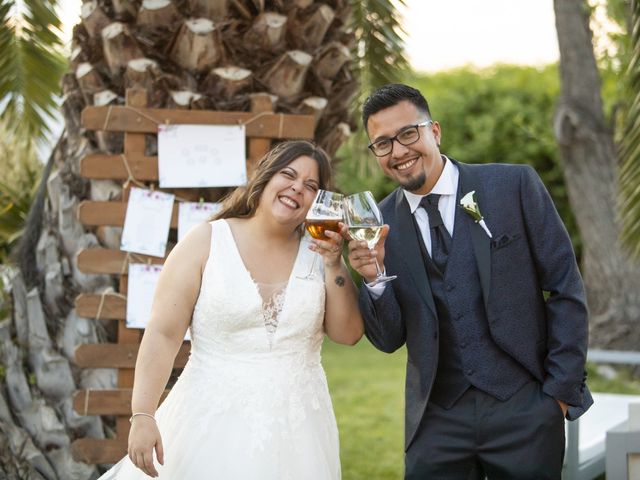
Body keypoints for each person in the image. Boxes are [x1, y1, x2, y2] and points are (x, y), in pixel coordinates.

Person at [346, 83, 593, 479]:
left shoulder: (513, 187)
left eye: (409, 133)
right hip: (436, 420)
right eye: (383, 143)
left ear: (435, 132)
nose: (399, 151)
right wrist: (373, 277)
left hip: (525, 409)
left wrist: (558, 395)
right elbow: (388, 339)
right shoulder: (379, 224)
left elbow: (565, 286)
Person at [99, 140, 363, 479]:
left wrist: (334, 264)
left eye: (311, 186)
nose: (297, 187)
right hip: (207, 425)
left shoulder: (321, 253)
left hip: (299, 432)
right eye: (289, 174)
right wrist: (143, 415)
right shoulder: (205, 241)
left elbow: (349, 334)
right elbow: (163, 334)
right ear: (265, 178)